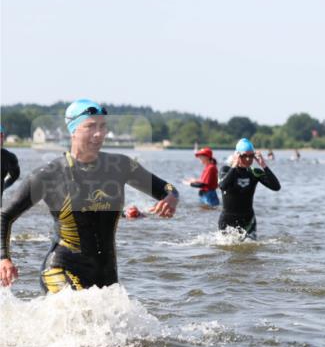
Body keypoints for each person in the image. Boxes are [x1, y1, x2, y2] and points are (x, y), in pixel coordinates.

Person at [0, 99, 178, 293]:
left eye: (103, 126)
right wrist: (4, 258)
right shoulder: (48, 174)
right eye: (90, 126)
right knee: (80, 310)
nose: (99, 133)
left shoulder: (122, 166)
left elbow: (167, 188)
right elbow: (4, 216)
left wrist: (171, 197)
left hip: (106, 274)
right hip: (61, 270)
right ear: (73, 130)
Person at [218, 138, 280, 240]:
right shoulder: (226, 170)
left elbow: (276, 187)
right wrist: (234, 166)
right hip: (227, 220)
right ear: (237, 155)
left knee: (250, 252)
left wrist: (263, 165)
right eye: (244, 156)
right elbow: (222, 186)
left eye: (251, 156)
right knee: (228, 252)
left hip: (248, 221)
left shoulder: (254, 172)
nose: (248, 159)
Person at [1, 124, 20, 197]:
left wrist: (4, 186)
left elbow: (15, 175)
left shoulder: (9, 157)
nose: (0, 139)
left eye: (1, 136)